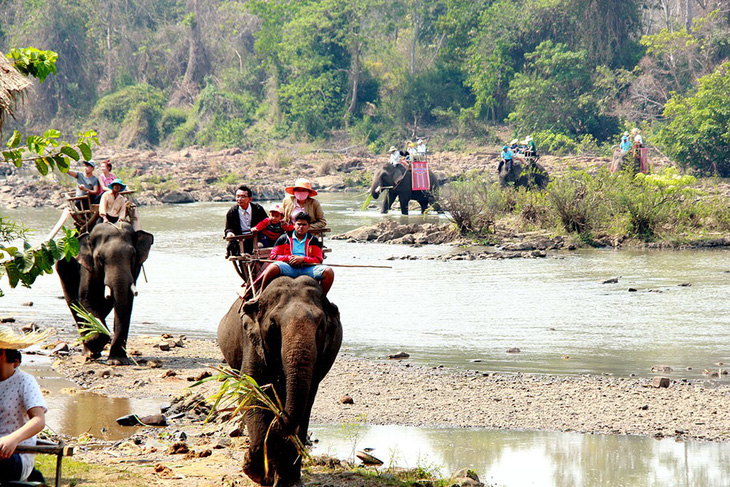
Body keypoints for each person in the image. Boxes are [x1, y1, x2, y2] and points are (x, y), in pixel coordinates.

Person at [0, 327, 52, 483]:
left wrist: (13, 439)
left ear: (2, 354)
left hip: (16, 456)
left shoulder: (24, 381)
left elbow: (38, 420)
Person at [255, 212, 334, 297]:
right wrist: (289, 258)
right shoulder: (284, 238)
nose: (301, 227)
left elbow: (318, 259)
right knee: (272, 267)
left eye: (304, 225)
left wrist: (303, 259)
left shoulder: (313, 240)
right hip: (289, 267)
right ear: (294, 225)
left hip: (307, 268)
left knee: (328, 271)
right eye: (298, 224)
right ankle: (261, 294)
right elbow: (273, 256)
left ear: (309, 227)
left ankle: (323, 298)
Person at [225, 185, 267, 256]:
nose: (240, 199)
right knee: (236, 249)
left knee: (261, 247)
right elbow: (228, 228)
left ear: (250, 199)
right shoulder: (232, 212)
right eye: (238, 196)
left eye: (243, 197)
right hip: (240, 240)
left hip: (256, 238)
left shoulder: (258, 209)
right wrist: (229, 233)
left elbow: (266, 222)